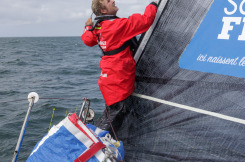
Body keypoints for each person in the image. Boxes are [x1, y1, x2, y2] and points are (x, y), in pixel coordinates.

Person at [81, 0, 158, 135]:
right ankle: (97, 141)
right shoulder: (117, 26)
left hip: (109, 79)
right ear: (103, 10)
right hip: (118, 80)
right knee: (115, 116)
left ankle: (96, 137)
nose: (113, 0)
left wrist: (88, 27)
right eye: (108, 1)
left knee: (112, 112)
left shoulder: (98, 27)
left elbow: (88, 39)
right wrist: (153, 4)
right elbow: (146, 20)